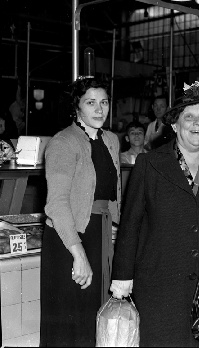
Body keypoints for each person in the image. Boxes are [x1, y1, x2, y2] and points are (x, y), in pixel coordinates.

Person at [110, 81, 199, 347]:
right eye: (189, 117)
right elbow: (130, 224)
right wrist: (122, 276)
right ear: (174, 125)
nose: (197, 123)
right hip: (159, 283)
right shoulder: (150, 164)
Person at [40, 77, 121, 346]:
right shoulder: (63, 143)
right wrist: (78, 254)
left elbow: (112, 195)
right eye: (91, 103)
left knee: (97, 316)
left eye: (104, 102)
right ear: (77, 108)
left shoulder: (111, 140)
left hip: (99, 236)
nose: (99, 109)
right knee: (72, 320)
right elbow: (57, 203)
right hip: (69, 239)